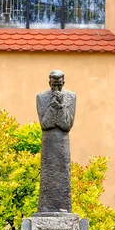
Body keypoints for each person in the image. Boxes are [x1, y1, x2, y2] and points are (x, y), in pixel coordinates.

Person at [36, 70, 77, 213]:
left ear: (63, 83)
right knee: (47, 178)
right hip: (48, 144)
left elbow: (67, 125)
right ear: (49, 84)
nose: (56, 89)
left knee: (63, 178)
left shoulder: (71, 97)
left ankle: (63, 207)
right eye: (54, 86)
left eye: (59, 86)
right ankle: (46, 208)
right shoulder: (41, 98)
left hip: (63, 144)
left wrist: (61, 107)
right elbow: (45, 124)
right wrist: (53, 107)